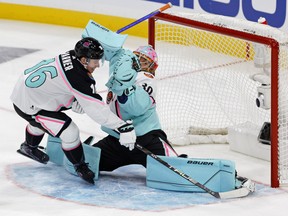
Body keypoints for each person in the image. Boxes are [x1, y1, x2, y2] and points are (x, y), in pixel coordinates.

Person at [10, 37, 137, 184]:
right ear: (83, 60)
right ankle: (80, 166)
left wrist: (73, 99)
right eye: (95, 61)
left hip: (25, 93)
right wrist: (121, 126)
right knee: (69, 132)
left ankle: (29, 147)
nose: (97, 65)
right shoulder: (78, 78)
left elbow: (62, 84)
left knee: (42, 122)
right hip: (29, 105)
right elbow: (96, 109)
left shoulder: (72, 55)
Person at [92, 45, 178, 171]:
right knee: (86, 162)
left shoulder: (147, 79)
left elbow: (137, 108)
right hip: (117, 139)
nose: (139, 62)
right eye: (137, 58)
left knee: (173, 168)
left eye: (144, 61)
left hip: (146, 139)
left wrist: (124, 85)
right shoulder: (121, 75)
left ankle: (174, 159)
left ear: (152, 67)